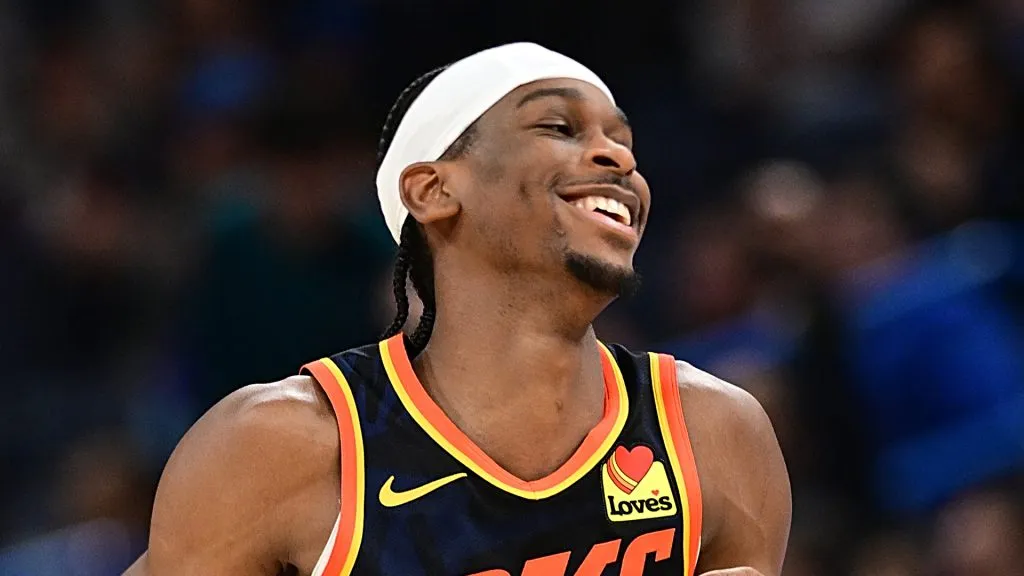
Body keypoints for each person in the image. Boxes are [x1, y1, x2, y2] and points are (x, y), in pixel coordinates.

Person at [125, 43, 791, 576]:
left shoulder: (715, 434)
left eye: (624, 142)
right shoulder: (280, 448)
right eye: (559, 126)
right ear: (435, 188)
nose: (618, 157)